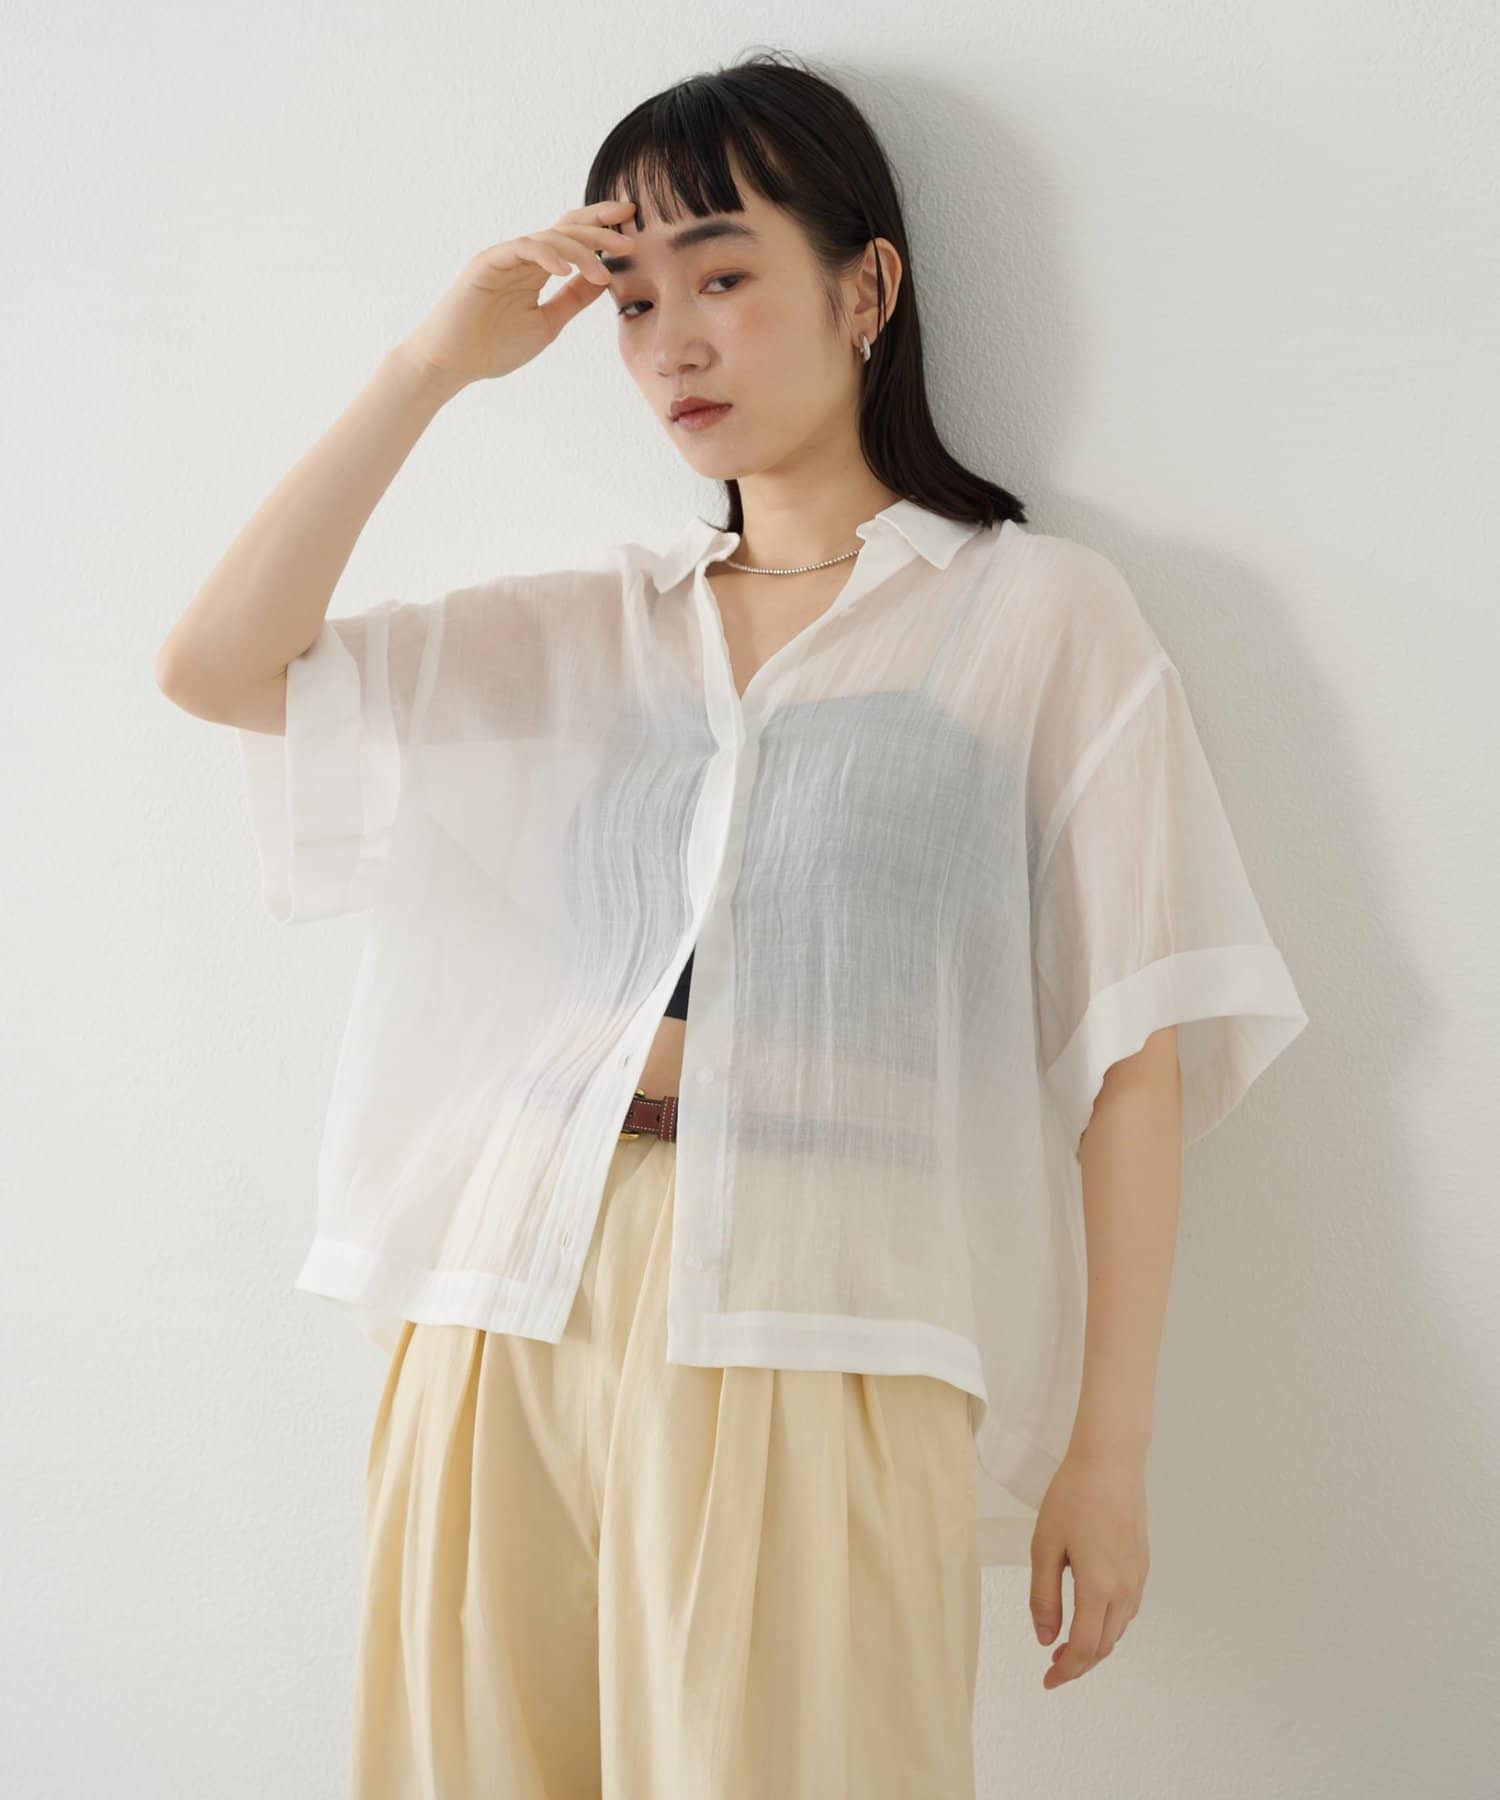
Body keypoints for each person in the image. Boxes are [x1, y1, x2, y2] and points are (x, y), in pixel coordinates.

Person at [155, 49, 1307, 1800]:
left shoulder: (1035, 616)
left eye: (721, 277)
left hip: (827, 1296)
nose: (671, 343)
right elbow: (218, 667)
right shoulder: (602, 626)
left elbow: (1131, 1058)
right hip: (511, 1288)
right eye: (634, 301)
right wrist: (427, 370)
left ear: (866, 288)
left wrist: (1109, 1453)